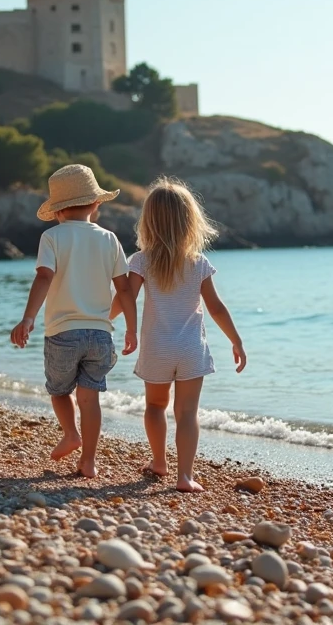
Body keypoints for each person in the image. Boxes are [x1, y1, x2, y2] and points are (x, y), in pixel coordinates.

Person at [114, 178, 247, 492]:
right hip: (190, 348)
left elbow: (125, 299)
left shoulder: (141, 261)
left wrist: (100, 318)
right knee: (187, 412)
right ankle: (185, 476)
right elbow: (215, 308)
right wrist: (236, 340)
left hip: (157, 347)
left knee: (155, 407)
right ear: (190, 221)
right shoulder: (198, 263)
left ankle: (159, 461)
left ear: (148, 222)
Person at [10, 164, 138, 477]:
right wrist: (133, 328)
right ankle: (89, 461)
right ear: (97, 204)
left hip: (62, 332)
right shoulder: (109, 239)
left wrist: (28, 318)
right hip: (100, 334)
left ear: (57, 211)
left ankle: (71, 433)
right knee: (89, 397)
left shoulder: (52, 237)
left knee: (59, 390)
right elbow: (124, 289)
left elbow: (43, 277)